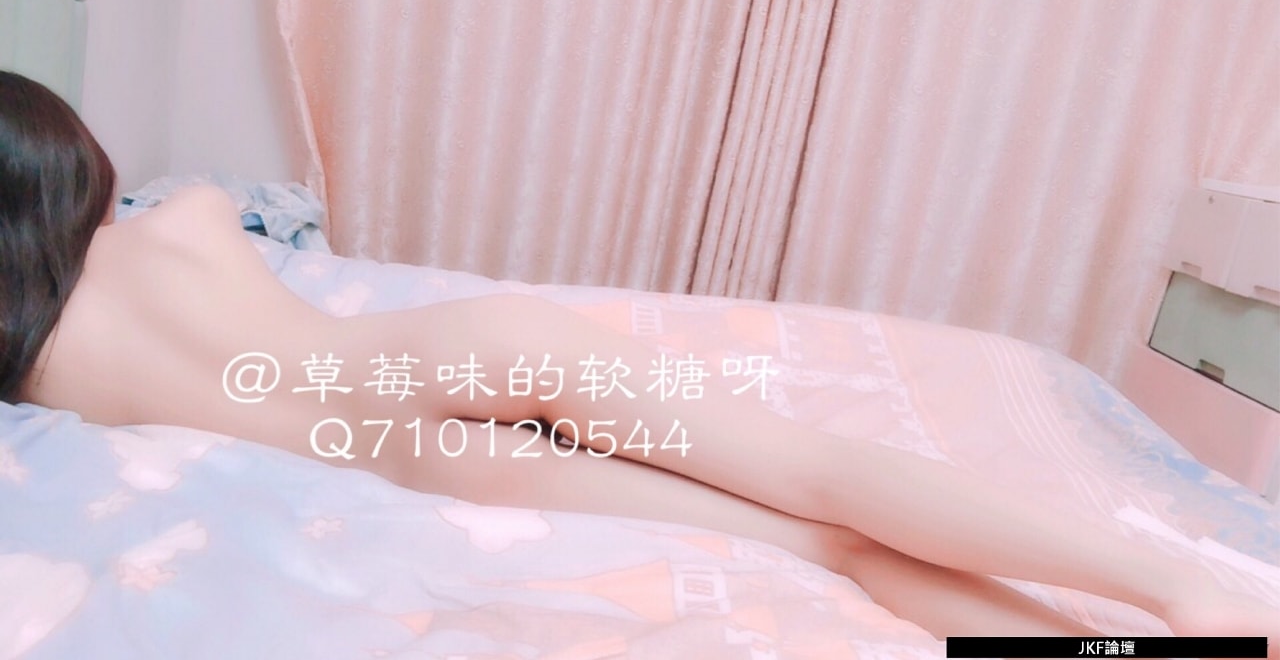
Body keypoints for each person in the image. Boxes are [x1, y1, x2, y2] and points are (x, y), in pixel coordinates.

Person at [2, 69, 1276, 648]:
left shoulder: (33, 367)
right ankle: (1173, 588)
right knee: (817, 469)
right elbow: (262, 210)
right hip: (446, 354)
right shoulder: (176, 220)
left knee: (826, 549)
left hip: (407, 456)